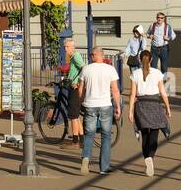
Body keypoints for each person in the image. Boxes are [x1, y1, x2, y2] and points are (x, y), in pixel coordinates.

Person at [127, 49, 171, 178]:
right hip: (155, 105)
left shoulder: (135, 74)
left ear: (140, 60)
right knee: (154, 135)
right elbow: (163, 92)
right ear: (151, 60)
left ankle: (147, 159)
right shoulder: (157, 73)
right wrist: (167, 107)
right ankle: (150, 157)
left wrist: (130, 111)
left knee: (145, 135)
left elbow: (132, 94)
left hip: (141, 105)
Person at [77, 45, 120, 175]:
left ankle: (86, 158)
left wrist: (80, 103)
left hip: (90, 105)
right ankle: (104, 167)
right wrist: (117, 106)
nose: (90, 57)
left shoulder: (86, 69)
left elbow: (80, 89)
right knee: (106, 136)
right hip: (105, 105)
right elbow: (115, 90)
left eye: (91, 55)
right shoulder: (110, 69)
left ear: (95, 55)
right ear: (102, 55)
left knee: (89, 134)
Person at [62, 37, 86, 144]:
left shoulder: (76, 56)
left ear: (72, 47)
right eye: (64, 47)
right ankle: (81, 139)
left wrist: (78, 82)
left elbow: (84, 68)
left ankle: (75, 141)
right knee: (76, 115)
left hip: (75, 89)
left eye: (67, 47)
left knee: (72, 116)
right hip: (73, 87)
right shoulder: (72, 57)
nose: (65, 49)